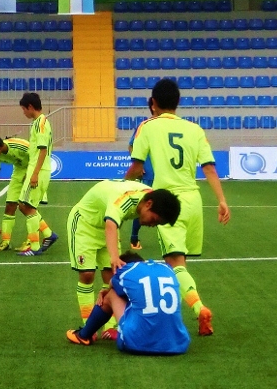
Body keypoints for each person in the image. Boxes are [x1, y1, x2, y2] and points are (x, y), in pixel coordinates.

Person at [125, 78, 231, 336]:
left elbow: (138, 167)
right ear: (178, 102)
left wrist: (121, 185)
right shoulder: (194, 129)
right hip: (193, 202)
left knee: (176, 264)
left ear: (154, 102)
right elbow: (209, 167)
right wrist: (221, 200)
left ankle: (199, 309)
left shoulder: (147, 127)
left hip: (166, 202)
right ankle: (194, 306)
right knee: (180, 263)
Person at [68, 180, 180, 336]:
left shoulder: (151, 197)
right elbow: (111, 225)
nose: (152, 225)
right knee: (87, 275)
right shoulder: (126, 198)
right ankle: (88, 326)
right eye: (154, 220)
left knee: (112, 278)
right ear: (148, 204)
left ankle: (111, 327)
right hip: (84, 224)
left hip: (107, 228)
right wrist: (114, 256)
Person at [67, 251, 191, 355]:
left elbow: (113, 285)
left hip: (137, 343)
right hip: (178, 344)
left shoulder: (126, 270)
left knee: (111, 295)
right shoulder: (167, 268)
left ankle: (84, 335)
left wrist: (107, 289)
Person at [0, 133, 50, 252]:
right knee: (10, 206)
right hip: (18, 170)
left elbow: (39, 156)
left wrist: (32, 175)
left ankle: (32, 239)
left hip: (33, 168)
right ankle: (5, 242)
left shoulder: (20, 145)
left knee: (27, 207)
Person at [17, 92, 58, 256]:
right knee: (24, 205)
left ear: (30, 107)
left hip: (39, 170)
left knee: (27, 206)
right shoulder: (37, 123)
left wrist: (34, 174)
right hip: (36, 169)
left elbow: (42, 150)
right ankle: (48, 234)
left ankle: (34, 247)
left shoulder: (41, 123)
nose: (24, 113)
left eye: (23, 109)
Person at [128, 99, 155, 250]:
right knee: (143, 205)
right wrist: (139, 163)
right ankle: (134, 238)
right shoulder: (143, 126)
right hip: (149, 174)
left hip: (166, 175)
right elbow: (131, 145)